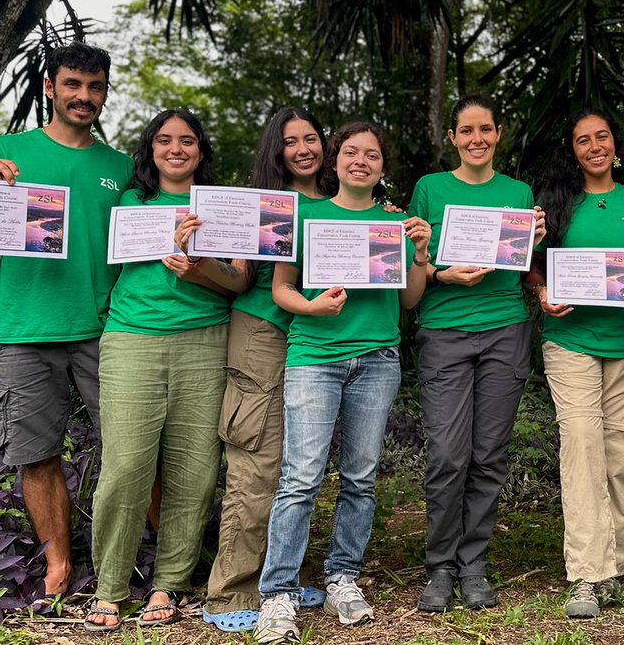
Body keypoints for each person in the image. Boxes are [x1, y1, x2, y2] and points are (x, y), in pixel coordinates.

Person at [253, 122, 431, 643]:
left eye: (371, 154)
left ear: (382, 166)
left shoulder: (393, 225)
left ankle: (343, 577)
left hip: (377, 358)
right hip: (314, 356)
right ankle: (278, 593)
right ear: (334, 162)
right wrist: (311, 306)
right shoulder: (304, 216)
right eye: (350, 152)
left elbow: (410, 301)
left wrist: (420, 255)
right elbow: (281, 289)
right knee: (301, 478)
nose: (361, 161)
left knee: (360, 476)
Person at [0, 42, 133, 605]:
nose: (83, 96)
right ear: (51, 87)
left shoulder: (121, 167)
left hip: (105, 327)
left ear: (105, 92)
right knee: (36, 451)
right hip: (23, 326)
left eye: (94, 87)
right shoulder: (8, 153)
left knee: (132, 445)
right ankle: (59, 565)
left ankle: (155, 562)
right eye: (72, 85)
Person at [178, 108, 329, 632]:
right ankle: (231, 592)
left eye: (312, 138)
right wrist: (199, 265)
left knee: (299, 466)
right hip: (263, 332)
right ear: (277, 151)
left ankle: (280, 579)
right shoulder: (258, 204)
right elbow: (239, 280)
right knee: (256, 460)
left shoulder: (339, 204)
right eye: (292, 142)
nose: (304, 149)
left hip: (320, 341)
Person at [85, 109, 235, 632]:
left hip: (206, 341)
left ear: (201, 150)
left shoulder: (220, 208)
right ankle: (109, 586)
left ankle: (168, 584)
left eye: (188, 140)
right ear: (149, 150)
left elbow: (238, 285)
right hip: (132, 340)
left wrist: (200, 268)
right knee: (125, 468)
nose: (176, 149)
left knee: (193, 472)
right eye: (165, 140)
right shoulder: (127, 202)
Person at [411, 94, 546, 613]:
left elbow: (521, 261)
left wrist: (533, 237)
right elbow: (416, 266)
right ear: (452, 138)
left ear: (498, 133)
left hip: (504, 328)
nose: (476, 140)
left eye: (485, 130)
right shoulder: (431, 189)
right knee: (448, 454)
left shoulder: (517, 192)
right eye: (466, 131)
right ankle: (440, 565)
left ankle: (474, 564)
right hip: (444, 329)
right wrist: (443, 273)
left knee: (489, 455)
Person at [528, 109, 624, 619]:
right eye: (583, 140)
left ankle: (613, 566)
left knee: (620, 457)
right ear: (574, 149)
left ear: (614, 144)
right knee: (580, 445)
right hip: (570, 341)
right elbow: (531, 268)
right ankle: (587, 575)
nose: (594, 146)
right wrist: (541, 292)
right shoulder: (555, 203)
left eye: (601, 136)